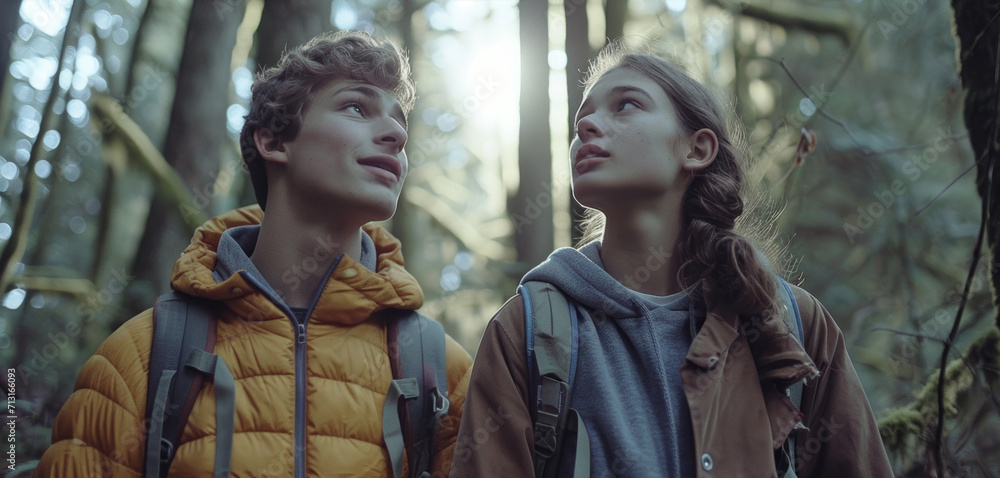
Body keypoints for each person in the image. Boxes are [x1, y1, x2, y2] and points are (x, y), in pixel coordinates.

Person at [35, 31, 472, 477]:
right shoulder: (141, 357)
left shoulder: (442, 370)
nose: (397, 133)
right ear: (275, 141)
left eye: (399, 120)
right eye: (357, 108)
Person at [450, 42, 892, 477]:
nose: (585, 126)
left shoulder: (790, 321)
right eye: (580, 118)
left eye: (625, 105)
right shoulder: (526, 332)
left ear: (696, 149)